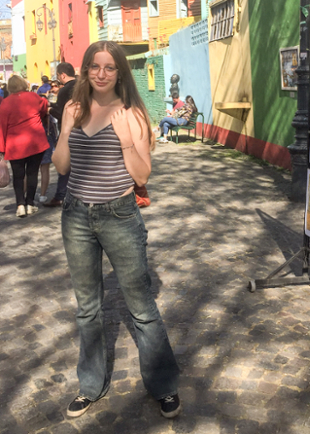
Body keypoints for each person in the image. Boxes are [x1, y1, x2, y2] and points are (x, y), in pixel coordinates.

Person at [52, 40, 180, 419]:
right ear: (86, 70)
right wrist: (64, 131)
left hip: (120, 215)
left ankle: (163, 384)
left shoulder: (132, 114)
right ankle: (90, 385)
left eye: (109, 67)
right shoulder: (74, 108)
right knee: (87, 308)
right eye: (95, 66)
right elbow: (61, 167)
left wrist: (125, 140)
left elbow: (141, 174)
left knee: (140, 306)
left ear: (120, 72)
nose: (102, 74)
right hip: (76, 216)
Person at [0, 75, 49, 217]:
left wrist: (1, 149)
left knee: (18, 176)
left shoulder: (5, 103)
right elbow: (44, 106)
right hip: (35, 142)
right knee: (32, 173)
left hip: (15, 145)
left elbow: (1, 127)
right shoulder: (33, 97)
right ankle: (30, 203)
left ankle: (20, 204)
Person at [44, 63, 76, 207]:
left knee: (63, 164)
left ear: (62, 75)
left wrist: (50, 110)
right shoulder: (82, 86)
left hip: (68, 131)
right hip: (84, 130)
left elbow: (63, 114)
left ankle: (60, 195)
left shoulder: (65, 90)